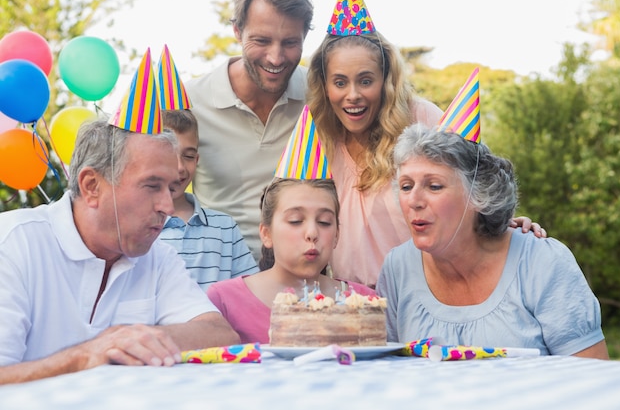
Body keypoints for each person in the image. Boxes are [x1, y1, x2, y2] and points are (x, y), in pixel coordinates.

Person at [0, 120, 240, 384]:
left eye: (171, 189)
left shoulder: (157, 256)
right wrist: (88, 355)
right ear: (92, 186)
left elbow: (219, 335)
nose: (168, 207)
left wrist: (138, 340)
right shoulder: (13, 244)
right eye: (152, 185)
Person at [307, 31, 545, 288]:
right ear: (324, 85)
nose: (353, 95)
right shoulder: (319, 139)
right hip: (354, 305)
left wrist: (501, 226)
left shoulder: (423, 119)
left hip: (427, 295)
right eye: (340, 83)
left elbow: (469, 189)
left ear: (386, 80)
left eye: (365, 81)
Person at [377, 123, 609, 359]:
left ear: (480, 194)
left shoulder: (541, 262)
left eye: (434, 186)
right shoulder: (397, 268)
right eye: (406, 186)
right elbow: (387, 372)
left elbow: (591, 377)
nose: (413, 200)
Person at [185, 0, 314, 260]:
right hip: (217, 279)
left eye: (290, 42)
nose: (276, 58)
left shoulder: (320, 95)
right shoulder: (189, 101)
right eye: (262, 40)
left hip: (301, 282)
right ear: (237, 30)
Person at [207, 178, 376, 344]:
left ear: (337, 235)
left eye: (324, 222)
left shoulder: (365, 301)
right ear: (266, 233)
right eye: (295, 221)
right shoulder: (223, 300)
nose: (312, 233)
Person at [159, 110, 259, 291]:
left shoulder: (225, 227)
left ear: (196, 160)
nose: (180, 167)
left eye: (188, 156)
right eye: (169, 154)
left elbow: (250, 293)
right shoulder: (136, 227)